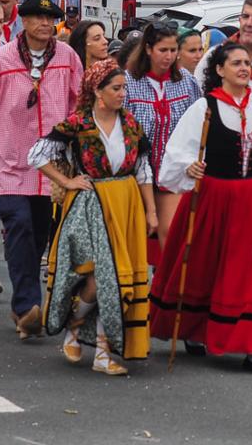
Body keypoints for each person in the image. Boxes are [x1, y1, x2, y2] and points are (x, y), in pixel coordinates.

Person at [149, 42, 252, 370]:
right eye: (235, 63)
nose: (243, 68)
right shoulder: (204, 108)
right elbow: (178, 153)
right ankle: (195, 327)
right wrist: (191, 168)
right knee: (207, 263)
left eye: (246, 63)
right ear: (219, 70)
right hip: (215, 196)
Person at [0, 0, 83, 338]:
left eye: (51, 19)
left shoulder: (67, 57)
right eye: (37, 18)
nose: (45, 24)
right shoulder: (0, 60)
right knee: (17, 228)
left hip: (51, 168)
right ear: (23, 21)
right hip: (10, 162)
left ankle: (26, 303)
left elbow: (79, 102)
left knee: (39, 235)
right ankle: (27, 308)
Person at [30, 59, 155, 375]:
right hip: (90, 205)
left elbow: (143, 169)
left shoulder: (130, 124)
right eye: (116, 88)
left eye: (124, 87)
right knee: (100, 277)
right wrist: (67, 181)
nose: (122, 94)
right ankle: (75, 327)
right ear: (98, 92)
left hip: (125, 203)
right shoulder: (78, 123)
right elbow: (37, 155)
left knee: (114, 278)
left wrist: (151, 211)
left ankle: (101, 353)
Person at [124, 23, 201, 251]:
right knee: (135, 238)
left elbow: (197, 125)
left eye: (173, 50)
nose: (169, 56)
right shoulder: (129, 82)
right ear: (148, 49)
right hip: (136, 174)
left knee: (171, 236)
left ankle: (163, 285)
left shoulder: (186, 81)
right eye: (163, 50)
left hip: (172, 173)